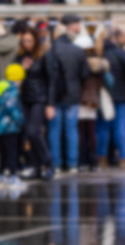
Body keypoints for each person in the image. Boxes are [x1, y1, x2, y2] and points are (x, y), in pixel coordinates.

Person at [45, 15, 90, 175]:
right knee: (72, 129)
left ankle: (56, 163)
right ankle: (72, 164)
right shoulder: (78, 51)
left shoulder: (51, 51)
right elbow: (85, 73)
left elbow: (48, 76)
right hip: (73, 94)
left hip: (54, 96)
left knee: (55, 130)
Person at [18, 25, 52, 179]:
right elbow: (14, 80)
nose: (27, 44)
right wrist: (22, 69)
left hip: (39, 97)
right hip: (24, 98)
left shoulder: (44, 55)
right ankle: (34, 166)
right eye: (24, 41)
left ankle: (47, 162)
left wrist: (50, 104)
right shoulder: (19, 57)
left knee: (34, 131)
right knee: (27, 134)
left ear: (36, 40)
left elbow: (52, 80)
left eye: (30, 41)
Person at [73, 29, 109, 171]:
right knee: (92, 131)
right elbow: (102, 82)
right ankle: (93, 163)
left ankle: (82, 162)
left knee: (81, 132)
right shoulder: (99, 64)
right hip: (93, 100)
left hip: (80, 100)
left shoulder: (80, 62)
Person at [0, 62, 25, 183]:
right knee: (12, 152)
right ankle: (13, 175)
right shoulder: (12, 90)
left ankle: (1, 174)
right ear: (18, 78)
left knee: (3, 152)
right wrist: (21, 121)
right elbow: (13, 109)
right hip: (11, 127)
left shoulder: (0, 88)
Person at [100, 27, 125, 167]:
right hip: (121, 96)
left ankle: (101, 158)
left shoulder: (100, 54)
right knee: (120, 127)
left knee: (103, 128)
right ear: (113, 39)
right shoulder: (120, 53)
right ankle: (123, 158)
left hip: (104, 96)